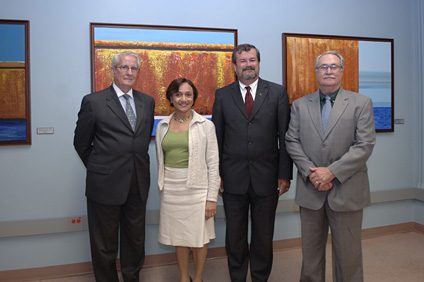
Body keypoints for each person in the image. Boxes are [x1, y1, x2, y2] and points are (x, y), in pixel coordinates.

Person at [285, 50, 376, 282]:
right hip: (311, 189)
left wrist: (331, 172)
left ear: (342, 71)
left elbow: (364, 145)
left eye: (333, 66)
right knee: (311, 255)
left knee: (349, 255)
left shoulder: (361, 103)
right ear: (316, 72)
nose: (328, 70)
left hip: (347, 190)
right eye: (323, 67)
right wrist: (312, 173)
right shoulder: (299, 105)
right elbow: (291, 141)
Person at [212, 43, 293, 282]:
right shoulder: (222, 94)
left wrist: (285, 174)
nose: (248, 65)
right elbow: (217, 137)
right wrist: (216, 174)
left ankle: (260, 277)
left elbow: (284, 136)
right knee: (234, 236)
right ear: (235, 66)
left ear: (258, 63)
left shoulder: (277, 93)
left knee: (263, 235)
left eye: (252, 60)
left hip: (267, 177)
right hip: (232, 177)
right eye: (243, 61)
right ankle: (237, 277)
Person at [74, 51, 155, 282]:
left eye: (133, 68)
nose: (129, 72)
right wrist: (100, 167)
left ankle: (132, 278)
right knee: (104, 244)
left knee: (135, 240)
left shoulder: (147, 102)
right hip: (104, 184)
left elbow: (139, 141)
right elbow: (81, 142)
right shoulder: (94, 101)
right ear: (113, 70)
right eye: (124, 68)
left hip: (137, 184)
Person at [155, 78, 220, 282]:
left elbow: (213, 164)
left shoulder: (205, 126)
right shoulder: (163, 126)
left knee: (200, 237)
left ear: (193, 98)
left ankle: (198, 277)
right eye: (178, 94)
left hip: (198, 189)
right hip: (172, 189)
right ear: (171, 98)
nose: (183, 99)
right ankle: (184, 277)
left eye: (188, 94)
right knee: (179, 236)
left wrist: (211, 198)